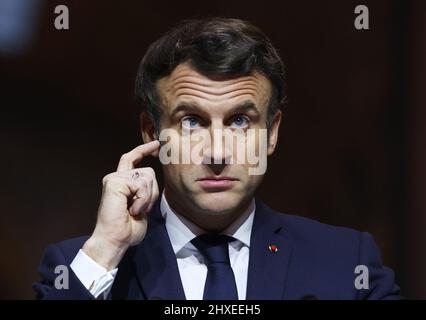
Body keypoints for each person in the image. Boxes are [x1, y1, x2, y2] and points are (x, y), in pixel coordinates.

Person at [34, 17, 400, 300]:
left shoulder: (345, 261)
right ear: (151, 134)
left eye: (240, 121)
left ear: (271, 133)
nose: (218, 152)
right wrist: (105, 250)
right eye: (191, 122)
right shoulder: (80, 266)